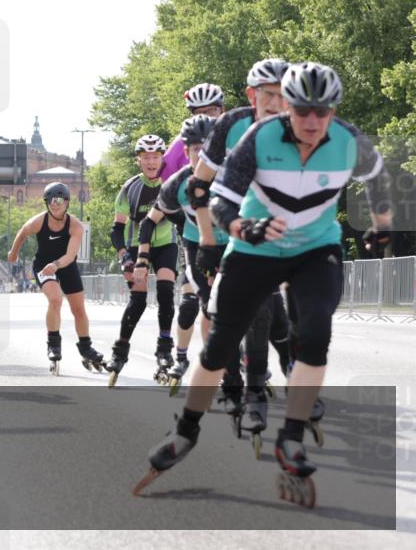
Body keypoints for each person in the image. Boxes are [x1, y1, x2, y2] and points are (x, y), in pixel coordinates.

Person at [137, 62, 393, 507]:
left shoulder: (350, 140)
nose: (313, 122)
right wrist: (240, 227)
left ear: (334, 110)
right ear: (287, 108)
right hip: (256, 247)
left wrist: (381, 224)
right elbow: (218, 198)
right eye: (302, 111)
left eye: (323, 111)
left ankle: (290, 438)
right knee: (219, 347)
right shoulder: (258, 137)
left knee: (314, 333)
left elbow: (378, 179)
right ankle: (185, 431)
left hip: (315, 249)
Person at [190, 58, 295, 437]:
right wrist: (206, 240)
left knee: (279, 312)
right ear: (253, 96)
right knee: (238, 311)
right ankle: (242, 389)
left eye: (284, 96)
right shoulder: (230, 125)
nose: (276, 102)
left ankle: (287, 372)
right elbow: (197, 187)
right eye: (268, 95)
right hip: (232, 227)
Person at [135, 115, 220, 390]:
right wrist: (142, 257)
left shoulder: (234, 176)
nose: (204, 156)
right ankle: (181, 358)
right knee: (192, 306)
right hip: (194, 246)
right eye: (197, 150)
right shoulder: (177, 184)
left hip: (230, 245)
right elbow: (149, 221)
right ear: (187, 153)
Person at [7, 182, 106, 375]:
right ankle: (53, 344)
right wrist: (13, 252)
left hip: (65, 266)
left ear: (67, 202)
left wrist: (57, 265)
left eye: (59, 200)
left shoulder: (76, 226)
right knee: (55, 299)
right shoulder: (39, 221)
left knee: (78, 309)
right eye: (51, 201)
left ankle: (85, 347)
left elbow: (70, 256)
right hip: (43, 266)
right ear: (46, 203)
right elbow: (22, 233)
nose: (55, 204)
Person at [105, 134, 178, 387]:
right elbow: (116, 229)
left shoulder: (172, 183)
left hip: (166, 244)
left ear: (162, 159)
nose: (150, 162)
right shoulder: (130, 188)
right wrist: (125, 256)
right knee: (138, 300)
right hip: (137, 246)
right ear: (138, 160)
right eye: (145, 157)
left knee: (167, 291)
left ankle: (165, 348)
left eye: (155, 157)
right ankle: (120, 351)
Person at [159, 83, 226, 182]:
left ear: (222, 110)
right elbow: (166, 185)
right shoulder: (179, 145)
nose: (206, 116)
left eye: (211, 110)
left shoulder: (239, 136)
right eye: (199, 112)